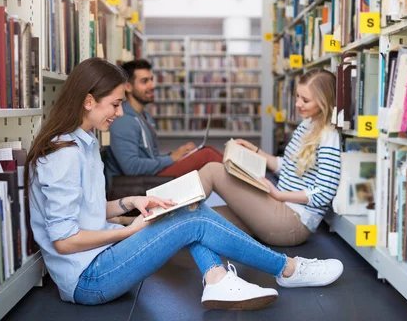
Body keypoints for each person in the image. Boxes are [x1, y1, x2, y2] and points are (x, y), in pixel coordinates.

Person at [24, 58, 343, 309]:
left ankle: (217, 277)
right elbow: (64, 241)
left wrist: (130, 202)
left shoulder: (84, 144)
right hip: (89, 279)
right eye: (115, 104)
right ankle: (287, 269)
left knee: (189, 207)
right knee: (193, 216)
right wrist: (128, 230)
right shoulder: (63, 153)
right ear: (89, 101)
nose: (121, 113)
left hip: (101, 259)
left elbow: (87, 209)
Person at [199, 68, 340, 247]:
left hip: (292, 221)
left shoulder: (329, 136)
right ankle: (162, 225)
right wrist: (254, 151)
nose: (297, 104)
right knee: (201, 219)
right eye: (297, 96)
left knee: (213, 170)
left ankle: (165, 209)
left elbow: (324, 192)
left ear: (323, 102)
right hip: (276, 207)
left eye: (305, 100)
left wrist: (279, 195)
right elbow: (285, 166)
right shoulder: (307, 125)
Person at [103, 59, 223, 184]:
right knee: (206, 155)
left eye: (151, 79)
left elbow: (152, 157)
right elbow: (132, 167)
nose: (152, 86)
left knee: (205, 152)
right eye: (145, 81)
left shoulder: (144, 116)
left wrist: (176, 154)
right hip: (134, 184)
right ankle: (240, 176)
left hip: (149, 176)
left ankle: (237, 170)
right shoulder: (123, 120)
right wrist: (171, 158)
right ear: (128, 86)